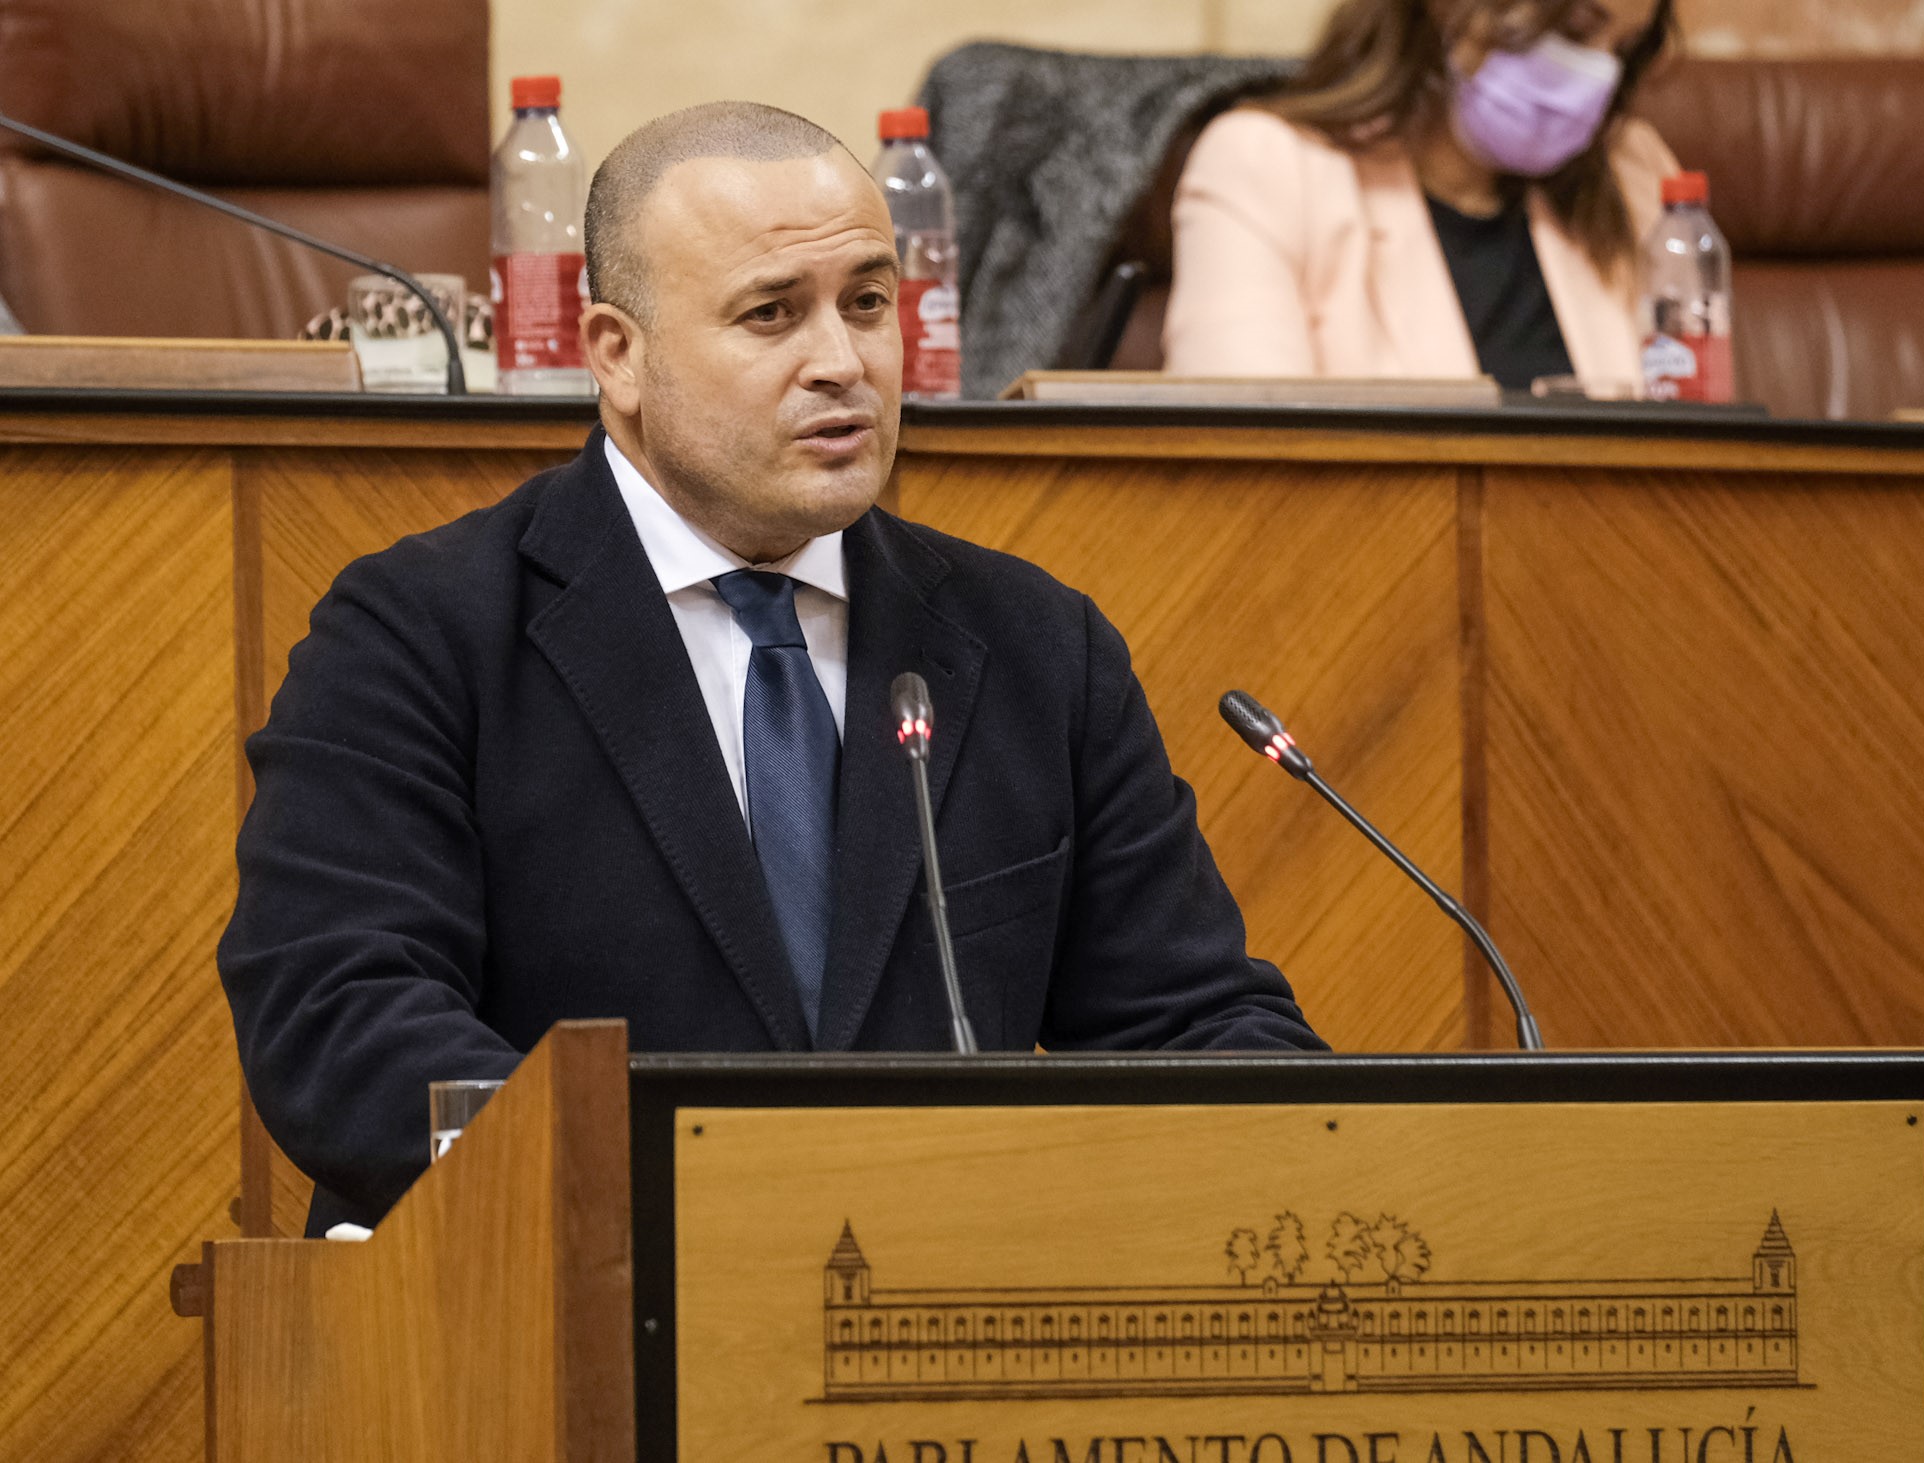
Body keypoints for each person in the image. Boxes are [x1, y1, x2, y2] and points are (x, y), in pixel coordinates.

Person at [219, 101, 1325, 1235]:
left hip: (935, 1340)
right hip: (562, 1318)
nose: (842, 363)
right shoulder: (419, 632)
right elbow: (339, 1016)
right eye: (770, 315)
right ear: (617, 354)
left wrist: (1336, 1147)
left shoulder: (1036, 643)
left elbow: (1192, 1021)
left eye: (865, 303)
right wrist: (702, 1204)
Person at [1163, 0, 1680, 391]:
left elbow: (1697, 441)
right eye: (1577, 29)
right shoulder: (1265, 163)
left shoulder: (1632, 171)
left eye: (1623, 48)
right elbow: (1240, 468)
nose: (1598, 74)